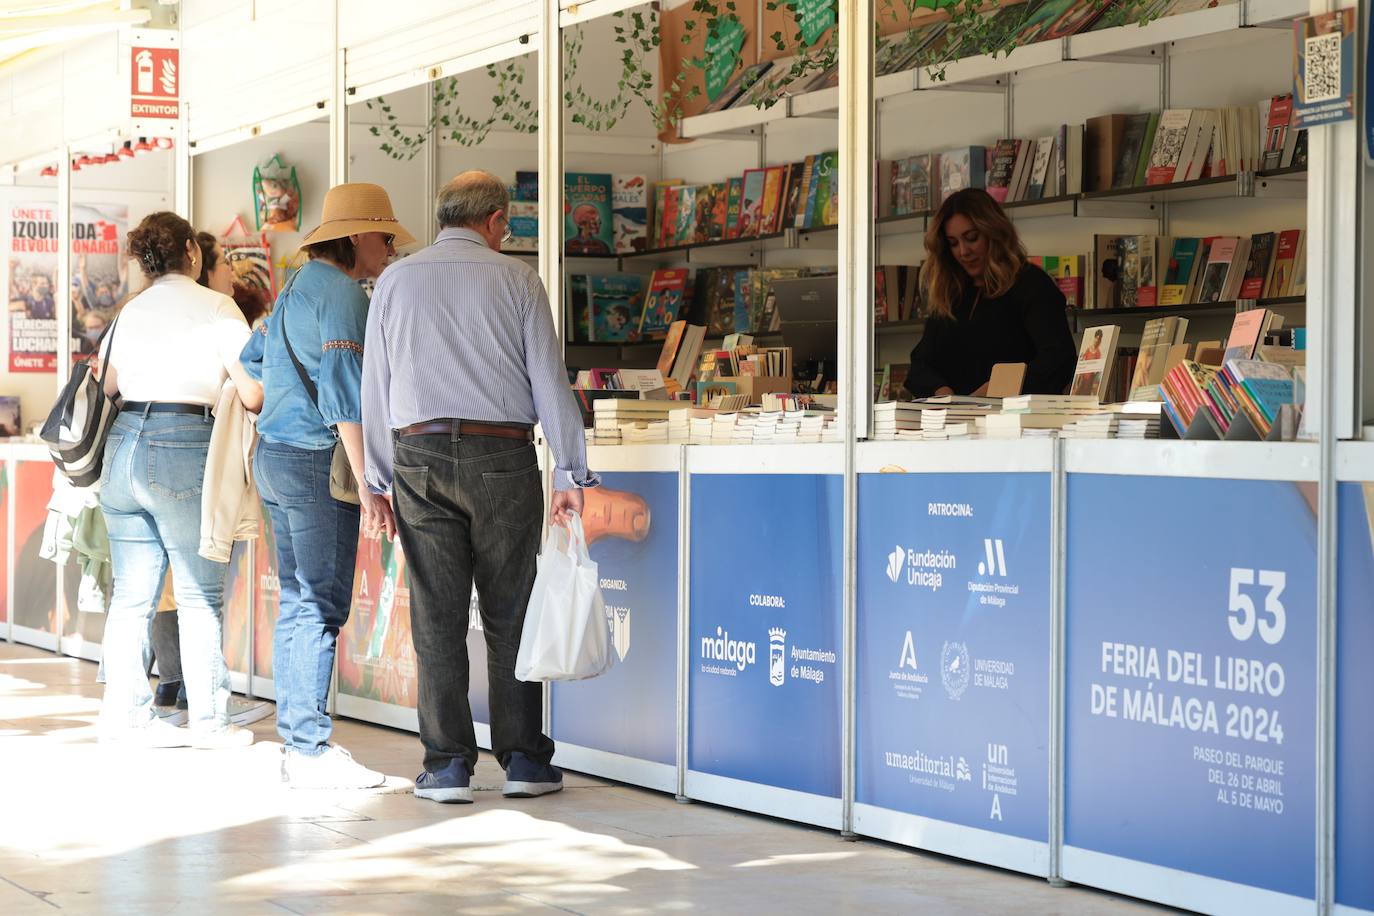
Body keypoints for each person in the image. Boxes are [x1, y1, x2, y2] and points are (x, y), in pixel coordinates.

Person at [362, 170, 599, 805]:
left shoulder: (394, 280)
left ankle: (445, 768)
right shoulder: (517, 278)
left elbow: (376, 387)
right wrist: (570, 471)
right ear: (495, 221)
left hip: (417, 456)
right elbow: (549, 378)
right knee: (510, 611)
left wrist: (376, 482)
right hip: (503, 456)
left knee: (435, 613)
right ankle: (523, 761)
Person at [240, 182, 413, 789]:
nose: (390, 245)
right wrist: (371, 481)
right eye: (384, 234)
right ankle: (309, 750)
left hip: (275, 456)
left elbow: (248, 362)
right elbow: (345, 394)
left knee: (298, 600)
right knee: (320, 604)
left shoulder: (292, 288)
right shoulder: (343, 295)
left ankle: (297, 742)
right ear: (358, 234)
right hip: (317, 461)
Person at [97, 211, 264, 748]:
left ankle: (126, 717)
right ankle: (211, 721)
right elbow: (254, 391)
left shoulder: (130, 311)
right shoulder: (217, 307)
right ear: (191, 251)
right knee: (197, 596)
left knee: (131, 596)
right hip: (182, 442)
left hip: (123, 448)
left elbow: (109, 386)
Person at [904, 188, 1076, 399]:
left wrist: (997, 388)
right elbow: (920, 366)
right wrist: (942, 394)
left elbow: (1058, 359)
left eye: (972, 238)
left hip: (1014, 422)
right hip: (955, 423)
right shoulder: (951, 293)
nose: (963, 251)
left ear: (993, 233)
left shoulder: (1031, 284)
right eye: (953, 243)